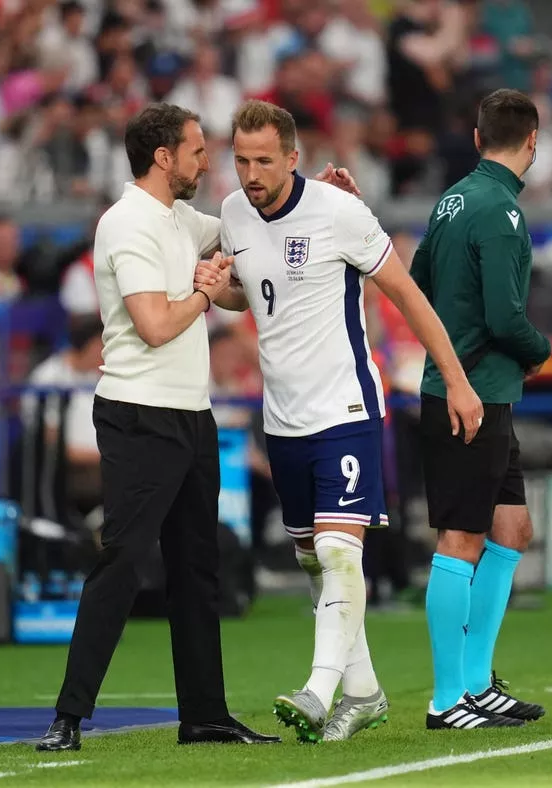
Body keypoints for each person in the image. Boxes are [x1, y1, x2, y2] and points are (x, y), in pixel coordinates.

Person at [35, 101, 360, 752]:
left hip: (191, 414)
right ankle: (68, 717)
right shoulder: (127, 224)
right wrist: (208, 293)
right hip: (139, 412)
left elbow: (254, 231)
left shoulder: (181, 219)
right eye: (194, 150)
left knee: (198, 566)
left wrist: (316, 198)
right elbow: (155, 325)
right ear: (163, 157)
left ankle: (204, 717)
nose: (205, 161)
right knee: (124, 558)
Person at [194, 99, 483, 742]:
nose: (250, 173)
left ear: (293, 158)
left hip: (346, 407)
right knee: (316, 563)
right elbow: (254, 291)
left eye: (264, 160)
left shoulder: (339, 212)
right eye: (240, 160)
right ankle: (365, 691)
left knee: (335, 550)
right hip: (284, 417)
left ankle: (318, 691)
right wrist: (220, 289)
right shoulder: (235, 215)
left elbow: (407, 295)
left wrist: (457, 382)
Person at [411, 88, 551, 730]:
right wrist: (539, 348)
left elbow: (416, 282)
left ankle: (474, 683)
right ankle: (448, 699)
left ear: (476, 139)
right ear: (533, 141)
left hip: (485, 392)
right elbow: (506, 315)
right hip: (469, 396)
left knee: (511, 529)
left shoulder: (449, 201)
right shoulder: (502, 211)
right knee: (461, 538)